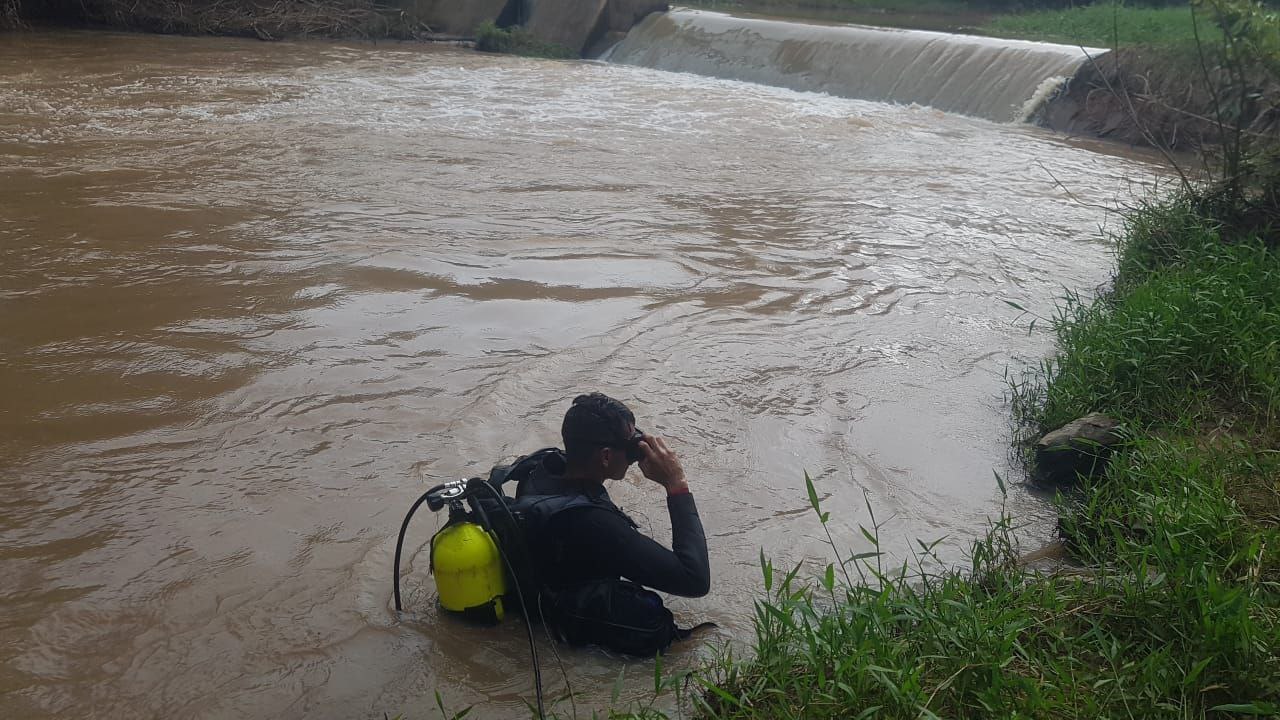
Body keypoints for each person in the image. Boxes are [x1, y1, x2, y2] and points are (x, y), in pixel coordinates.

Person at [521, 392, 710, 603]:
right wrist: (676, 485)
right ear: (606, 456)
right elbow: (695, 579)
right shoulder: (595, 523)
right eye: (632, 444)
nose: (637, 449)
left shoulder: (539, 473)